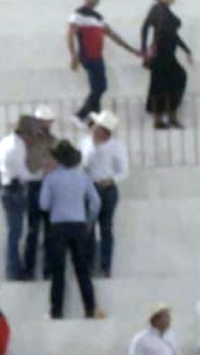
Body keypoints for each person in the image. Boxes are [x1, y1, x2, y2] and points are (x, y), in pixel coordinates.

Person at [39, 140, 101, 319]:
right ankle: (90, 308)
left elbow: (43, 204)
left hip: (58, 227)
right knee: (82, 270)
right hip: (79, 225)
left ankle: (56, 310)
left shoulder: (51, 178)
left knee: (58, 271)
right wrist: (88, 222)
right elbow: (96, 202)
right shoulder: (82, 176)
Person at [67, 0, 141, 127]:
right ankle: (81, 115)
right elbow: (70, 35)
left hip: (98, 56)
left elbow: (112, 35)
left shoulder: (99, 17)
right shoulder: (78, 14)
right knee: (99, 87)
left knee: (99, 87)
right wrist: (73, 54)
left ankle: (93, 120)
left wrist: (132, 50)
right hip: (87, 55)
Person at [78, 109, 129, 277]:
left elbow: (124, 171)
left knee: (106, 228)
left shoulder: (116, 146)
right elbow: (83, 165)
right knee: (89, 228)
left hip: (107, 188)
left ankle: (105, 266)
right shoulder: (85, 143)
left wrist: (111, 180)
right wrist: (94, 146)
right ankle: (89, 265)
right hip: (90, 188)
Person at [141, 0, 193, 129]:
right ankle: (162, 118)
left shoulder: (162, 10)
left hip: (167, 53)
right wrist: (145, 49)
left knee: (172, 82)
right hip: (161, 54)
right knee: (162, 85)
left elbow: (173, 35)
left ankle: (169, 116)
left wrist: (187, 50)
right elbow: (145, 27)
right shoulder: (158, 9)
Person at [0, 117, 39, 280]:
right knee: (16, 232)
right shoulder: (17, 147)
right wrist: (40, 175)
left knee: (14, 232)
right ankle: (14, 270)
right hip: (15, 189)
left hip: (7, 188)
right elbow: (22, 173)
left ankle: (13, 269)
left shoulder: (5, 142)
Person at [22, 106, 58, 281]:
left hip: (49, 187)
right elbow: (27, 165)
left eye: (47, 122)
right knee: (33, 230)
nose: (45, 125)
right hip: (34, 186)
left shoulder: (54, 142)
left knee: (50, 232)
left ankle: (48, 270)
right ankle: (29, 270)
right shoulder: (28, 142)